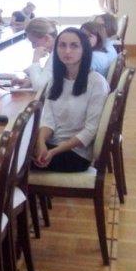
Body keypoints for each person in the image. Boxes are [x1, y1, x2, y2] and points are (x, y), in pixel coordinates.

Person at [33, 28, 109, 172]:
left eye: (74, 46)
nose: (67, 51)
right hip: (51, 145)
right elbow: (48, 120)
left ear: (84, 50)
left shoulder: (96, 82)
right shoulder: (55, 80)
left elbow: (90, 131)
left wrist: (54, 152)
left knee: (12, 166)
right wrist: (41, 142)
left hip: (76, 153)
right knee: (11, 154)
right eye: (62, 45)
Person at [14, 17, 58, 90]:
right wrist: (31, 81)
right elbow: (50, 76)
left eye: (34, 42)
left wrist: (36, 58)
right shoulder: (55, 53)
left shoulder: (57, 56)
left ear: (47, 38)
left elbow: (39, 87)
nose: (33, 47)